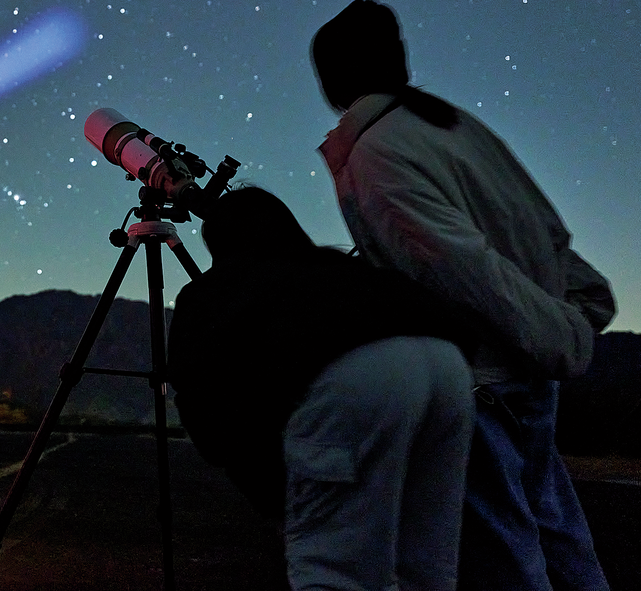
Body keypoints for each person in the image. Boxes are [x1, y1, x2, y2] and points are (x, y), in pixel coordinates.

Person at [310, 0, 617, 591]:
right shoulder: (446, 123)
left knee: (509, 560)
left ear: (334, 78)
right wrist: (579, 308)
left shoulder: (375, 155)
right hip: (526, 370)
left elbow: (464, 273)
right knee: (560, 540)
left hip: (485, 379)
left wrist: (565, 339)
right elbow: (541, 231)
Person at [170, 185, 476, 591]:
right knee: (424, 566)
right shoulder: (332, 270)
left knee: (336, 571)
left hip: (354, 376)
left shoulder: (218, 293)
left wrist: (281, 499)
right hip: (448, 367)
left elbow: (210, 410)